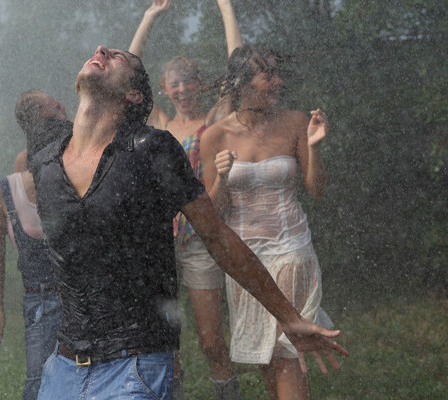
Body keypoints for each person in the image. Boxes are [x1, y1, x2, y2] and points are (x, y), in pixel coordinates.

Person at [31, 44, 348, 400]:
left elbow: (216, 235)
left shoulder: (151, 148)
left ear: (133, 94)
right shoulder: (45, 163)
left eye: (118, 57)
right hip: (64, 365)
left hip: (133, 361)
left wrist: (288, 316)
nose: (101, 49)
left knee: (219, 344)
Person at [200, 45, 334, 400]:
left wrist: (314, 147)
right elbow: (210, 214)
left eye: (277, 72)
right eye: (267, 74)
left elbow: (316, 190)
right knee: (267, 360)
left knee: (288, 357)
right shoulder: (215, 136)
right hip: (245, 260)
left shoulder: (294, 122)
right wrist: (221, 179)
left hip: (291, 250)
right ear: (243, 83)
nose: (277, 81)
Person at [128, 1, 242, 397]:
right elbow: (127, 75)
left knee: (211, 342)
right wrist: (148, 17)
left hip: (198, 242)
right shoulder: (160, 124)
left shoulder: (214, 121)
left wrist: (226, 7)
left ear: (201, 84)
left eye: (189, 80)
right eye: (174, 83)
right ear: (163, 89)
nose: (182, 88)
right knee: (164, 342)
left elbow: (238, 71)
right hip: (158, 241)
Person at [0, 90, 71, 400]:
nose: (62, 105)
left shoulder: (81, 161)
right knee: (40, 379)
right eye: (54, 107)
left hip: (83, 294)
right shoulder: (14, 179)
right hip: (41, 298)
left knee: (90, 373)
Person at [13, 91, 68, 173]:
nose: (62, 118)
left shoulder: (24, 160)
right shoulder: (23, 161)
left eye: (58, 107)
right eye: (51, 122)